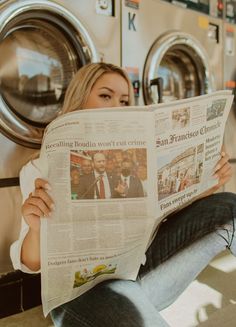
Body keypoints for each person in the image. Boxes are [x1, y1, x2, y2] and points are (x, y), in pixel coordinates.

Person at [10, 62, 236, 327]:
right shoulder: (40, 168)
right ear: (80, 99)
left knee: (229, 209)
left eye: (125, 100)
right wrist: (36, 230)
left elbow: (163, 214)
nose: (117, 106)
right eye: (106, 96)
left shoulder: (139, 162)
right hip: (81, 295)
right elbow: (28, 263)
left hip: (141, 274)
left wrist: (204, 185)